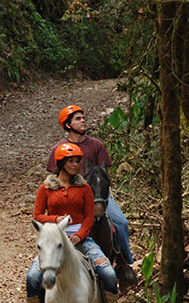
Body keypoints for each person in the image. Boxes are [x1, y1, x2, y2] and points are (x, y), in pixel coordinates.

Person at [27, 142, 126, 303]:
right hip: (54, 241)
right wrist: (56, 219)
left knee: (107, 272)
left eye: (77, 161)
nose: (75, 165)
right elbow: (37, 215)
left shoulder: (85, 188)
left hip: (81, 240)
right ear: (61, 163)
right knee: (32, 277)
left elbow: (90, 217)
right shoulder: (45, 188)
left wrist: (79, 236)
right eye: (71, 161)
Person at [46, 105, 134, 266]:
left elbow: (104, 174)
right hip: (70, 196)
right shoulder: (58, 149)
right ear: (67, 125)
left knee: (121, 223)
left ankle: (126, 264)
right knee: (50, 229)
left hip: (97, 195)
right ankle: (45, 267)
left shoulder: (96, 145)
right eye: (78, 119)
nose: (83, 120)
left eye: (83, 117)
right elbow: (54, 177)